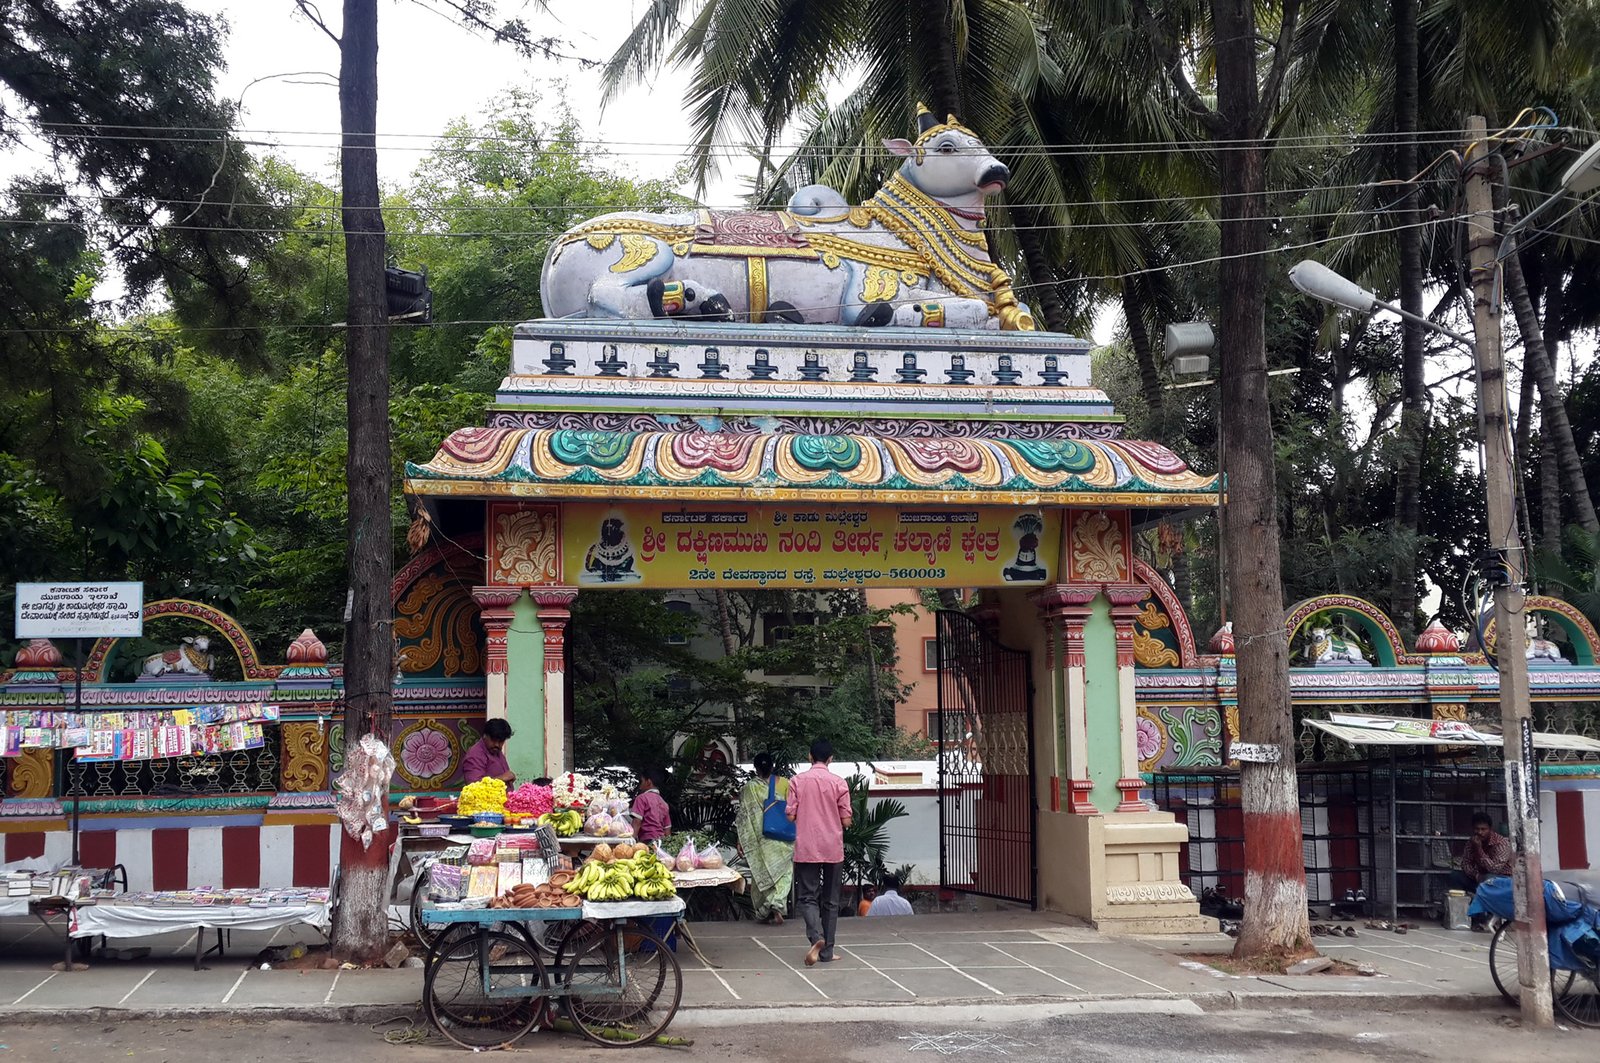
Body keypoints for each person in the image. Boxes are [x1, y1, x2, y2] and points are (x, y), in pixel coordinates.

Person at [786, 737, 852, 967]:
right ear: (831, 759)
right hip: (832, 847)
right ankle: (827, 952)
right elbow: (846, 821)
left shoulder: (797, 782)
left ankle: (817, 937)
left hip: (806, 847)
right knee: (831, 900)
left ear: (809, 757)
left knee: (806, 897)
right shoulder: (839, 783)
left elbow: (791, 816)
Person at [735, 753, 795, 925]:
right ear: (772, 766)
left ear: (755, 768)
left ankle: (763, 910)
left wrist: (741, 841)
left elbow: (743, 818)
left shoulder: (748, 789)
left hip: (759, 840)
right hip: (782, 838)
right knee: (784, 873)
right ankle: (776, 903)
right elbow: (793, 808)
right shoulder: (785, 784)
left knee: (761, 873)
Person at [1451, 811, 1514, 930]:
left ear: (1490, 829)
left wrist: (1479, 849)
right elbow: (1466, 863)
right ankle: (1462, 915)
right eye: (1477, 829)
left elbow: (1494, 868)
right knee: (1454, 876)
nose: (1480, 832)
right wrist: (1475, 875)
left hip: (1501, 880)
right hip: (1479, 877)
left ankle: (1485, 919)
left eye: (1483, 829)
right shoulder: (1471, 842)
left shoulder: (1501, 843)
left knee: (1488, 879)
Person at [460, 718, 515, 785]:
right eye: (493, 740)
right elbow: (473, 786)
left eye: (501, 741)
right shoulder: (475, 755)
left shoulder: (495, 751)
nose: (497, 744)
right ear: (485, 735)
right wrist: (502, 778)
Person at [629, 766, 673, 844]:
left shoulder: (641, 798)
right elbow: (667, 829)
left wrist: (630, 841)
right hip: (661, 842)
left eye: (642, 781)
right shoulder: (664, 803)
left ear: (648, 782)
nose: (640, 785)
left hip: (647, 840)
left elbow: (637, 822)